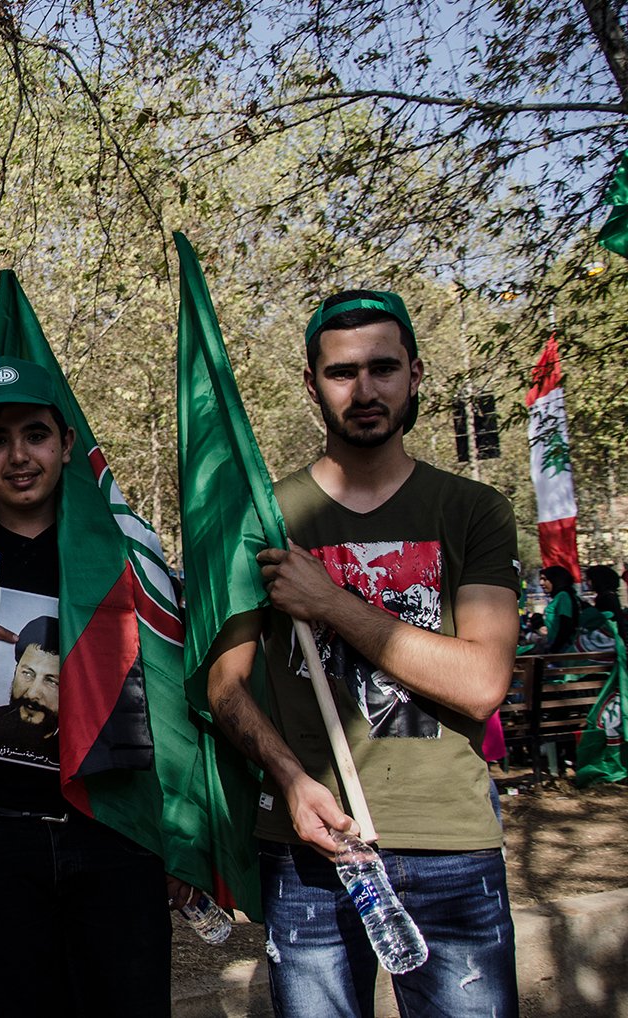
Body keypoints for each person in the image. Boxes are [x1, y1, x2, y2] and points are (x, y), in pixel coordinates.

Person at [206, 289, 520, 1016]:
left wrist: (331, 604)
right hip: (308, 846)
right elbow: (223, 685)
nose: (366, 388)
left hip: (451, 844)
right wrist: (289, 779)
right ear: (311, 384)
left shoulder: (472, 511)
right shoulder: (263, 518)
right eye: (343, 372)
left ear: (416, 374)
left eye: (384, 367)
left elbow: (480, 683)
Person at [0, 356, 172, 1016]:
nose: (19, 457)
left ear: (67, 442)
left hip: (113, 824)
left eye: (36, 435)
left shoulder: (121, 549)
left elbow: (165, 694)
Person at [0, 614, 59, 761]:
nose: (32, 694)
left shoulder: (84, 747)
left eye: (51, 681)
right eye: (27, 674)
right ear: (15, 670)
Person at [539, 565, 611, 653]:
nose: (541, 583)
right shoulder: (560, 597)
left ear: (556, 579)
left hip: (564, 648)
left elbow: (566, 625)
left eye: (545, 579)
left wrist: (554, 649)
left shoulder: (563, 596)